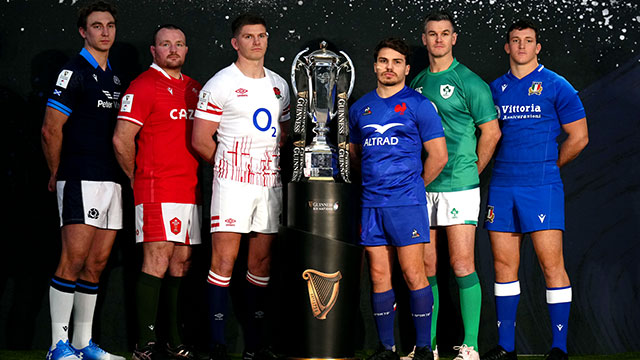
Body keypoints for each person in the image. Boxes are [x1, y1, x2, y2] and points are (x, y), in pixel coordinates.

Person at [481, 19, 589, 360]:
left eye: (528, 40)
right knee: (502, 266)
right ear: (507, 47)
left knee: (551, 264)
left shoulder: (556, 85)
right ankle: (506, 348)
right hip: (501, 185)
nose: (522, 46)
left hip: (541, 185)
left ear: (537, 47)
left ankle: (558, 348)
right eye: (516, 40)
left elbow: (579, 137)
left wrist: (551, 167)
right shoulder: (493, 89)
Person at [191, 13, 290, 360]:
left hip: (270, 184)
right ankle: (217, 344)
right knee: (223, 262)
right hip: (233, 184)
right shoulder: (221, 83)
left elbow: (285, 133)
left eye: (261, 35)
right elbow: (201, 139)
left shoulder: (280, 84)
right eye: (248, 37)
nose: (257, 42)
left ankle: (255, 345)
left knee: (260, 264)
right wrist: (230, 168)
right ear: (236, 43)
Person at [407, 10, 501, 360]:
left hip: (460, 185)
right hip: (425, 184)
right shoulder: (416, 83)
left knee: (462, 265)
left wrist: (471, 170)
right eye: (432, 34)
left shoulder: (469, 82)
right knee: (427, 267)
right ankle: (427, 347)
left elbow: (491, 132)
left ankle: (471, 346)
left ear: (454, 38)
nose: (439, 40)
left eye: (445, 34)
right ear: (425, 38)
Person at [349, 38, 448, 360]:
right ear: (375, 65)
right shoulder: (359, 108)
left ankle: (422, 348)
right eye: (382, 61)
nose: (388, 67)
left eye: (395, 61)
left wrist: (414, 186)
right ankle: (386, 348)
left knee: (413, 274)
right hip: (371, 205)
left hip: (406, 204)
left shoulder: (420, 105)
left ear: (406, 68)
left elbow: (439, 156)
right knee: (378, 275)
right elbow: (354, 155)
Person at [112, 24, 202, 360]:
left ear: (186, 49)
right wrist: (136, 177)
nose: (173, 50)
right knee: (158, 261)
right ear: (154, 51)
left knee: (181, 263)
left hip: (190, 190)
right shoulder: (144, 85)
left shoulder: (195, 88)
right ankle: (144, 344)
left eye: (179, 44)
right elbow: (122, 139)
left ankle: (173, 341)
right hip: (156, 187)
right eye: (166, 44)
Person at [41, 2, 125, 360]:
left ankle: (81, 344)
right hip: (79, 176)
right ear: (83, 32)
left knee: (96, 264)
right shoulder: (72, 72)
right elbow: (50, 129)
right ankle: (56, 345)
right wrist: (56, 171)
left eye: (109, 25)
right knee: (72, 260)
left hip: (112, 180)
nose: (104, 32)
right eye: (96, 26)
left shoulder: (116, 77)